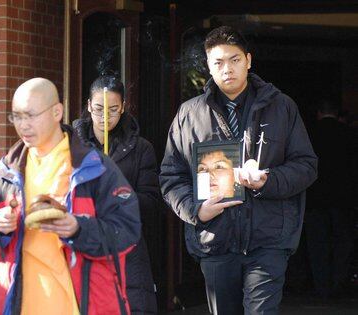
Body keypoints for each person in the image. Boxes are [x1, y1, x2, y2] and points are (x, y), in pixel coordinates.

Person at [160, 26, 317, 315]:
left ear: (248, 60)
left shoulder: (281, 107)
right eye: (218, 63)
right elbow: (171, 176)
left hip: (268, 237)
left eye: (234, 60)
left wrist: (268, 181)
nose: (227, 69)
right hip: (215, 239)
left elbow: (306, 166)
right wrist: (196, 211)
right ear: (208, 66)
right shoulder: (190, 114)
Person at [0, 78, 141, 315]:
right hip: (21, 305)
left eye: (31, 115)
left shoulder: (94, 167)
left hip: (83, 305)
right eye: (16, 116)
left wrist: (78, 229)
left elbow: (127, 232)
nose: (23, 125)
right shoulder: (5, 173)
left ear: (57, 112)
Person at [73, 75, 160, 314]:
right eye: (99, 109)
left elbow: (152, 203)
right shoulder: (69, 146)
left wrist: (119, 195)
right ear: (89, 105)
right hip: (83, 243)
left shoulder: (141, 148)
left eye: (113, 109)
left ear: (122, 108)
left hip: (127, 248)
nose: (104, 117)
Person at [305, 99, 356, 299]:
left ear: (319, 113)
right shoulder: (349, 134)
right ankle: (338, 284)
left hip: (314, 197)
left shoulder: (309, 134)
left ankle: (321, 287)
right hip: (343, 197)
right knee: (343, 241)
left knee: (317, 243)